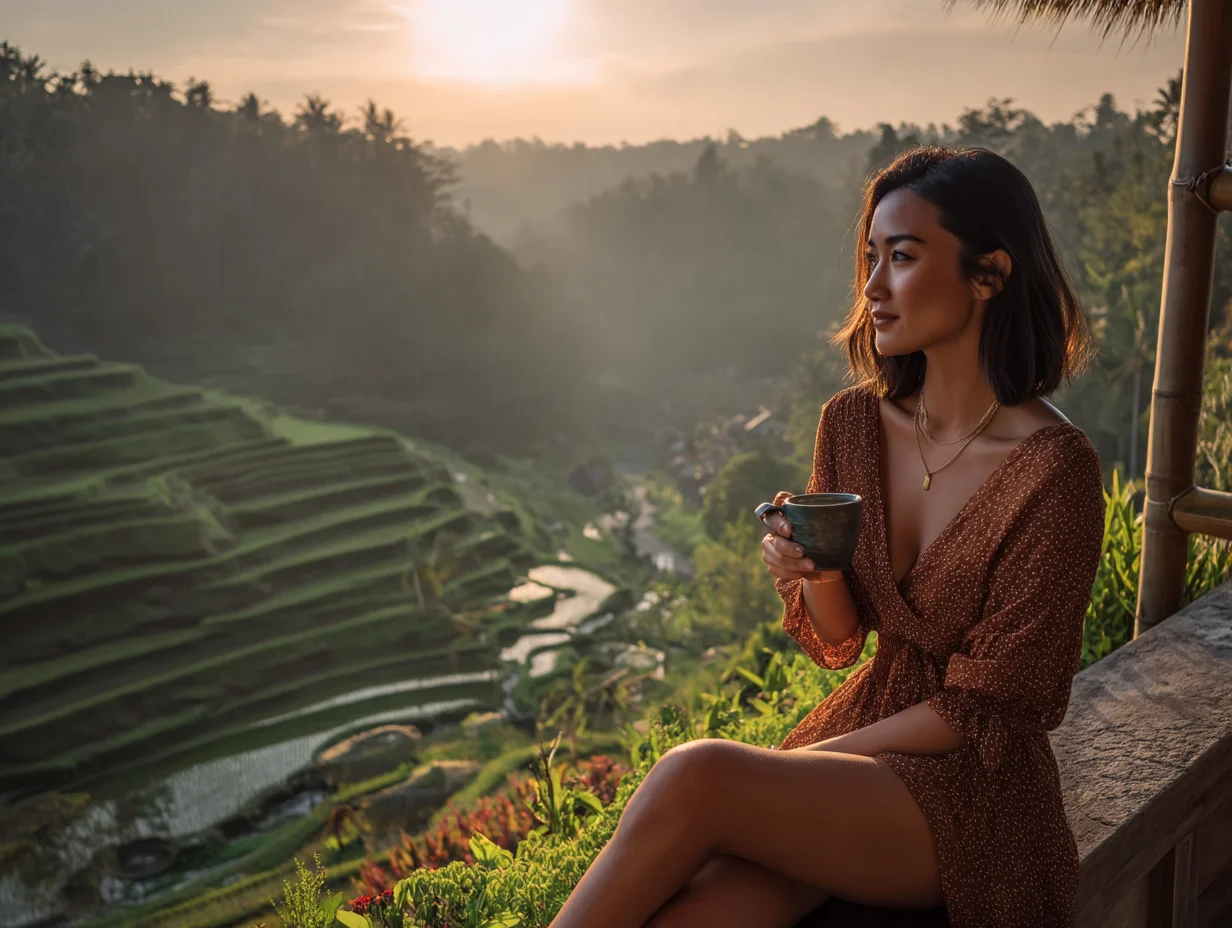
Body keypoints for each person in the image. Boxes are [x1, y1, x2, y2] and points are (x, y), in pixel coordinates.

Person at [547, 146, 1107, 928]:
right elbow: (840, 639)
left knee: (697, 777)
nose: (873, 287)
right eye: (870, 257)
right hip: (866, 743)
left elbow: (991, 708)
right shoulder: (851, 424)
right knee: (699, 909)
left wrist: (789, 768)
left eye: (903, 258)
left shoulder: (1054, 472)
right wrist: (814, 571)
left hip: (970, 787)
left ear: (991, 272)